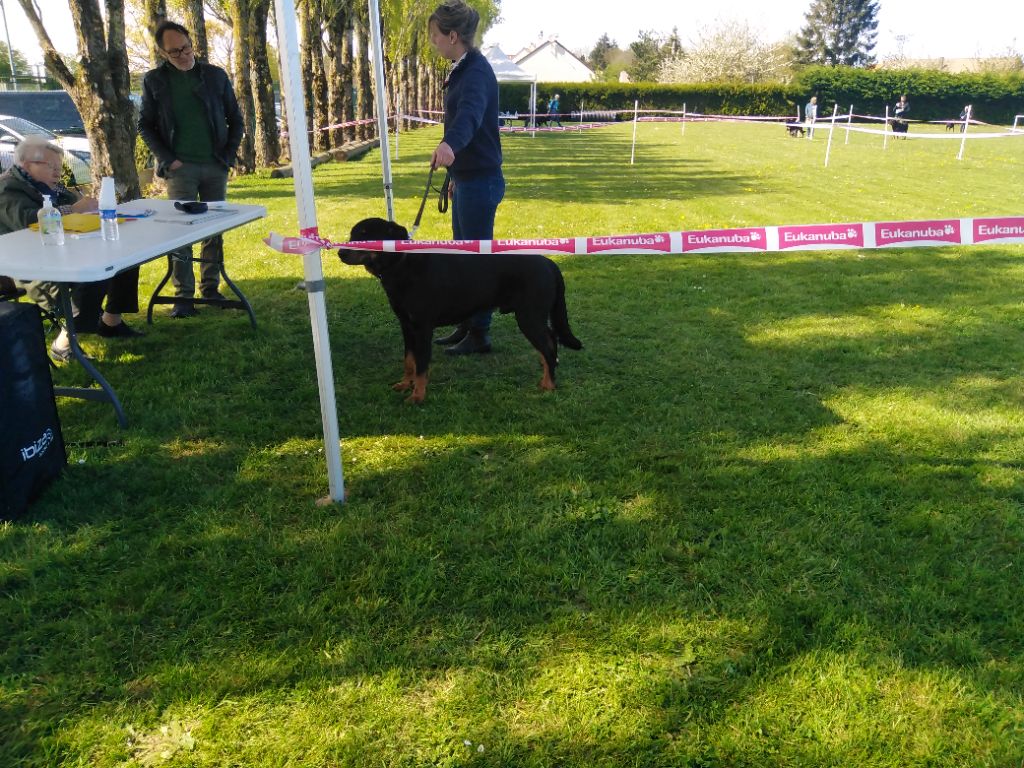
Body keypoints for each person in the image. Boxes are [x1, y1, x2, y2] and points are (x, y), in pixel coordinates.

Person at [0, 136, 143, 361]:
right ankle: (64, 342)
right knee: (95, 272)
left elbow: (76, 208)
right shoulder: (7, 189)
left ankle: (110, 323)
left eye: (59, 166)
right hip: (31, 265)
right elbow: (27, 223)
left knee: (124, 257)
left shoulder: (50, 188)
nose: (58, 172)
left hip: (66, 252)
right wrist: (73, 209)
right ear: (27, 164)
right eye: (51, 167)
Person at [138, 20, 244, 319]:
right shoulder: (155, 81)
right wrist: (167, 158)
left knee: (214, 229)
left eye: (186, 48)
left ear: (192, 43)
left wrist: (226, 155)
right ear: (162, 53)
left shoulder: (215, 75)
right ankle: (182, 296)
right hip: (179, 168)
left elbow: (236, 119)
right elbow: (144, 125)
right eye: (174, 52)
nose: (183, 55)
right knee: (180, 231)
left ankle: (210, 287)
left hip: (215, 165)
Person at [427, 0, 505, 356]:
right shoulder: (463, 67)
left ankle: (480, 333)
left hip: (481, 181)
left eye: (435, 35)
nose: (433, 42)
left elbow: (470, 116)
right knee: (463, 257)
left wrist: (450, 145)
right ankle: (466, 325)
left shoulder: (475, 72)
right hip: (467, 178)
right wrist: (455, 172)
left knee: (476, 260)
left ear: (453, 35)